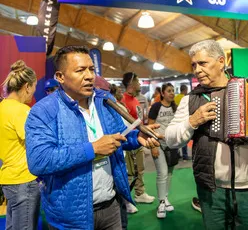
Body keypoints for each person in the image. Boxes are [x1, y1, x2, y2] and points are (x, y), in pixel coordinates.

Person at [25, 46, 159, 230]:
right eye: (80, 70)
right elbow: (39, 161)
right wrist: (93, 148)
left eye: (91, 69)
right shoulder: (43, 111)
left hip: (111, 206)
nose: (89, 76)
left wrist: (137, 137)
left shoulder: (104, 101)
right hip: (70, 216)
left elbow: (120, 134)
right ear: (60, 77)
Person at [165, 40, 248, 230]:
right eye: (193, 65)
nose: (197, 70)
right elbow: (170, 138)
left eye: (202, 63)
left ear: (221, 61)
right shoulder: (190, 99)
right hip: (212, 192)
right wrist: (192, 121)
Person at [0, 60, 40, 230]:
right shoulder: (21, 111)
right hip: (24, 179)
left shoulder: (3, 107)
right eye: (34, 87)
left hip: (9, 178)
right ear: (27, 87)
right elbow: (37, 142)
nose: (33, 92)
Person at [122, 72, 155, 213]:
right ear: (131, 83)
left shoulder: (135, 99)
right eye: (137, 81)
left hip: (138, 139)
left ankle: (140, 193)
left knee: (139, 169)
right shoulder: (123, 101)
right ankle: (126, 200)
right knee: (130, 172)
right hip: (130, 140)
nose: (140, 84)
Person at [148, 83, 177, 219]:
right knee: (162, 172)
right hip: (157, 143)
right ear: (163, 93)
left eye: (173, 91)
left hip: (172, 145)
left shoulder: (175, 107)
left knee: (170, 173)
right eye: (169, 91)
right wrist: (153, 145)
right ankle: (161, 203)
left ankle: (165, 198)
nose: (172, 93)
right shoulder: (156, 107)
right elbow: (149, 127)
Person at [174, 84, 190, 161]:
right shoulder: (185, 98)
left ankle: (177, 154)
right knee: (184, 138)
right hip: (183, 120)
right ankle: (185, 155)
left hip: (176, 120)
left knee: (177, 137)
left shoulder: (176, 97)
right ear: (185, 90)